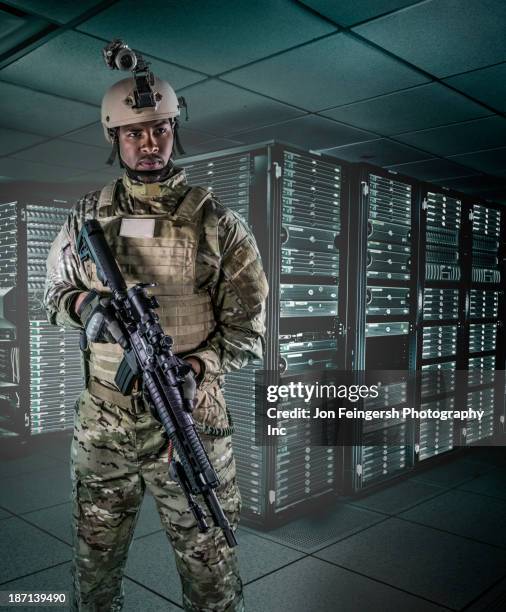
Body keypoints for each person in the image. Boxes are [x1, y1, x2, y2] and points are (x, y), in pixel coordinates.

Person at [44, 73, 268, 611]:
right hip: (105, 427)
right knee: (94, 575)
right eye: (134, 133)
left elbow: (250, 331)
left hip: (190, 423)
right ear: (114, 139)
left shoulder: (218, 224)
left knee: (212, 578)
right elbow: (53, 290)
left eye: (160, 131)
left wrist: (197, 367)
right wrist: (85, 305)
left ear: (175, 131)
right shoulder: (86, 217)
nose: (148, 145)